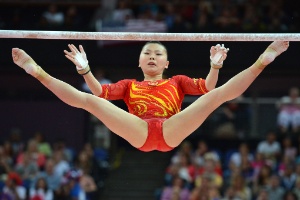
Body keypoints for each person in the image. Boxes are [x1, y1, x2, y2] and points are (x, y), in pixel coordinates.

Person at [12, 41, 289, 152]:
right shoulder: (129, 85)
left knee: (216, 96)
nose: (153, 56)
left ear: (167, 63)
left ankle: (262, 61)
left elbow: (207, 87)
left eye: (158, 54)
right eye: (148, 53)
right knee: (91, 101)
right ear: (140, 62)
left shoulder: (177, 81)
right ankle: (36, 71)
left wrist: (215, 66)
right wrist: (85, 70)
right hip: (140, 131)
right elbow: (99, 92)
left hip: (170, 129)